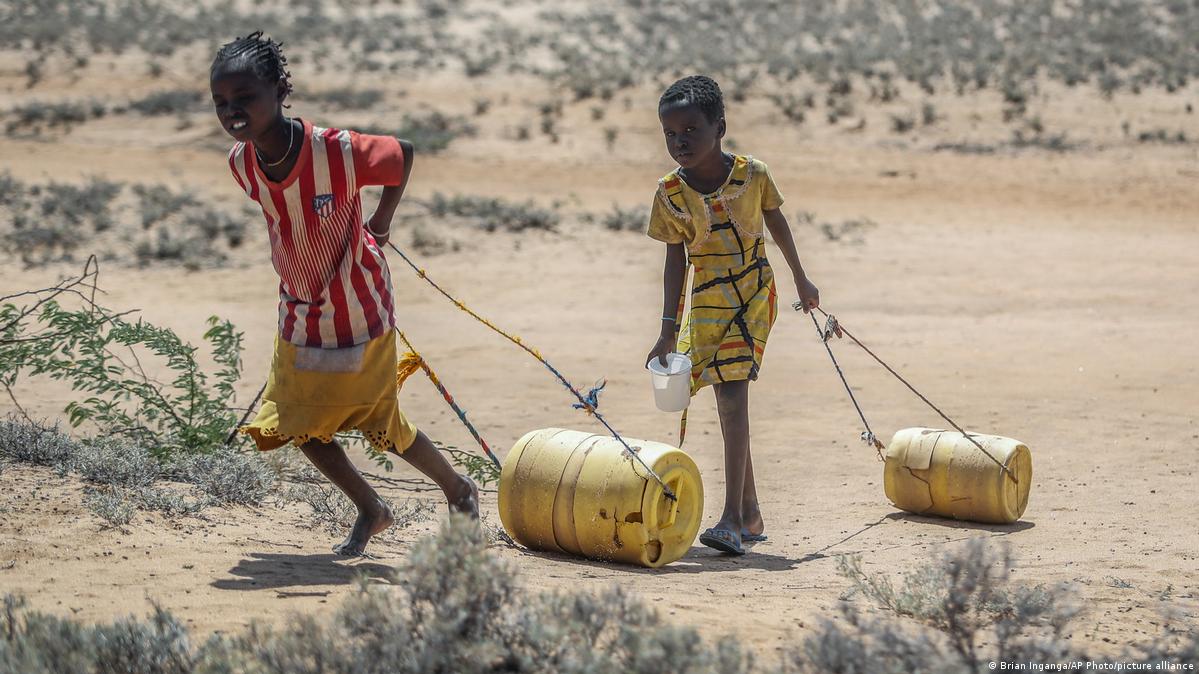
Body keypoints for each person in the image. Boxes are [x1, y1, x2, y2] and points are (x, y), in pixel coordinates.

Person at [210, 31, 477, 556]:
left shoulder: (334, 150)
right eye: (222, 102)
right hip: (300, 307)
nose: (233, 111)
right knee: (298, 420)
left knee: (380, 422)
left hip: (359, 301)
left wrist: (380, 219)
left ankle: (459, 490)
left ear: (280, 90)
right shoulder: (241, 164)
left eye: (245, 98)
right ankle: (372, 509)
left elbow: (401, 155)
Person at [644, 75, 831, 556]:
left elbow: (776, 222)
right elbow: (674, 260)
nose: (679, 142)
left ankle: (729, 520)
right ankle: (749, 513)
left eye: (690, 130)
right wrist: (668, 330)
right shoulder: (669, 192)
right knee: (720, 398)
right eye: (670, 134)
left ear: (719, 127)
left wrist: (801, 279)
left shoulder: (754, 174)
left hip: (752, 290)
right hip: (705, 299)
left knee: (731, 393)